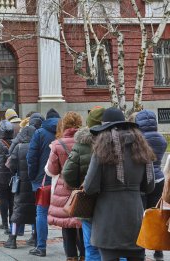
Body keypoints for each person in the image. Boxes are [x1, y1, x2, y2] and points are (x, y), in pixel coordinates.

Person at [84, 107, 156, 261]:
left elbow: (89, 187)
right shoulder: (142, 147)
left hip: (107, 220)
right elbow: (150, 186)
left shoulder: (102, 149)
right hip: (135, 219)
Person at [62, 107, 105, 261]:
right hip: (115, 201)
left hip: (89, 201)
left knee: (91, 247)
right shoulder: (117, 142)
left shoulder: (82, 143)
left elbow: (67, 172)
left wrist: (78, 185)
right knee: (116, 248)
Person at [45, 112, 84, 261]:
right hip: (82, 189)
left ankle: (71, 257)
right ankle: (84, 256)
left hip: (64, 189)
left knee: (67, 226)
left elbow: (51, 170)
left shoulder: (58, 144)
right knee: (81, 224)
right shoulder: (87, 141)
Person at [134, 109, 167, 261]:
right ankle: (158, 249)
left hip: (143, 180)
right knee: (156, 215)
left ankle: (140, 247)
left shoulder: (138, 140)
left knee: (142, 215)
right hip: (159, 179)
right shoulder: (161, 139)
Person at [27, 108, 60, 257]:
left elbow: (31, 158)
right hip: (64, 180)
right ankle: (76, 251)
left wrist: (33, 176)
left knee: (41, 212)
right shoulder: (65, 133)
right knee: (72, 215)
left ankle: (41, 246)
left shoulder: (40, 133)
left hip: (43, 179)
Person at [4, 125, 37, 249]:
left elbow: (11, 164)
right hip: (34, 184)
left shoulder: (18, 147)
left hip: (21, 183)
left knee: (17, 211)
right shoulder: (36, 147)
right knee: (35, 212)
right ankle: (34, 236)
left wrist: (16, 173)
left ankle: (12, 239)